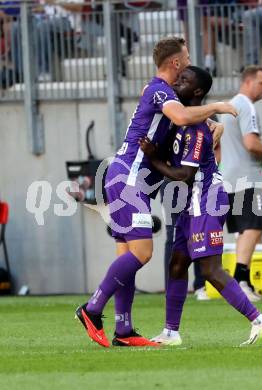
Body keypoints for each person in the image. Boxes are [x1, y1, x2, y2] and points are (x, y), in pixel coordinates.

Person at [75, 36, 237, 348]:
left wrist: (215, 123)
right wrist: (216, 107)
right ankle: (92, 308)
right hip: (130, 179)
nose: (188, 65)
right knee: (143, 253)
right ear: (175, 63)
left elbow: (184, 117)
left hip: (124, 177)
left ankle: (124, 331)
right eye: (186, 60)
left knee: (126, 254)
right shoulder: (160, 90)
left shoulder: (161, 92)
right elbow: (181, 116)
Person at [139, 65, 262, 346]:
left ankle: (259, 320)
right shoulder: (181, 121)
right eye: (179, 77)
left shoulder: (196, 131)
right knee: (177, 264)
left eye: (185, 80)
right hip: (190, 202)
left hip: (206, 199)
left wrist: (153, 158)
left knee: (210, 269)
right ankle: (171, 332)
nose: (178, 82)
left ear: (197, 91)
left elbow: (185, 175)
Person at [220, 65, 262, 302]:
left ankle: (241, 280)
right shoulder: (246, 106)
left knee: (245, 231)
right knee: (254, 227)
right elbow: (251, 144)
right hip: (247, 178)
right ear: (247, 82)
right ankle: (240, 281)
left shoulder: (229, 107)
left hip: (230, 178)